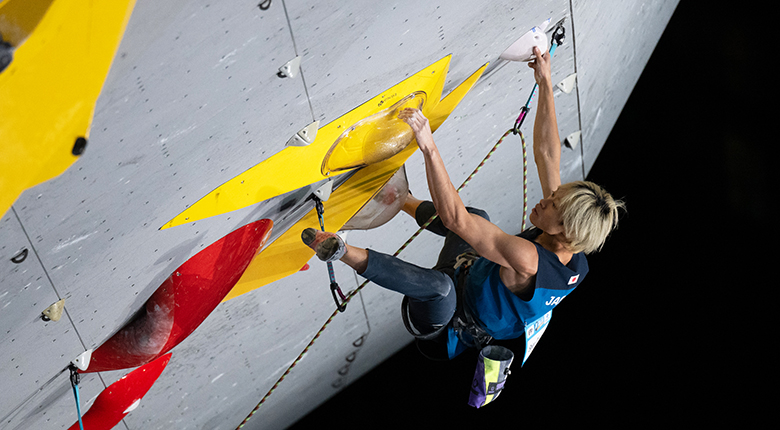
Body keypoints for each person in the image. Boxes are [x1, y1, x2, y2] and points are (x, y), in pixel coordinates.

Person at [302, 47, 624, 359]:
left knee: (440, 285)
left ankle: (339, 250)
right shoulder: (573, 246)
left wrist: (428, 146)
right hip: (464, 272)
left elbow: (455, 219)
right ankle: (398, 200)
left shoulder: (529, 261)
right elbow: (547, 155)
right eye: (555, 196)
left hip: (445, 326)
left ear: (565, 232)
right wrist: (545, 84)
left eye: (553, 205)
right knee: (478, 217)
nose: (546, 199)